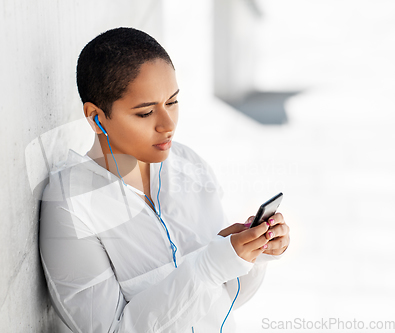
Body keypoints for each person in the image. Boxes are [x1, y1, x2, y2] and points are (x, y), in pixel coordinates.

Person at [39, 27, 290, 332]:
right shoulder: (71, 205)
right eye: (145, 113)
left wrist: (251, 252)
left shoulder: (188, 165)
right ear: (96, 117)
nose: (168, 125)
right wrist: (211, 264)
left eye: (172, 102)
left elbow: (224, 301)